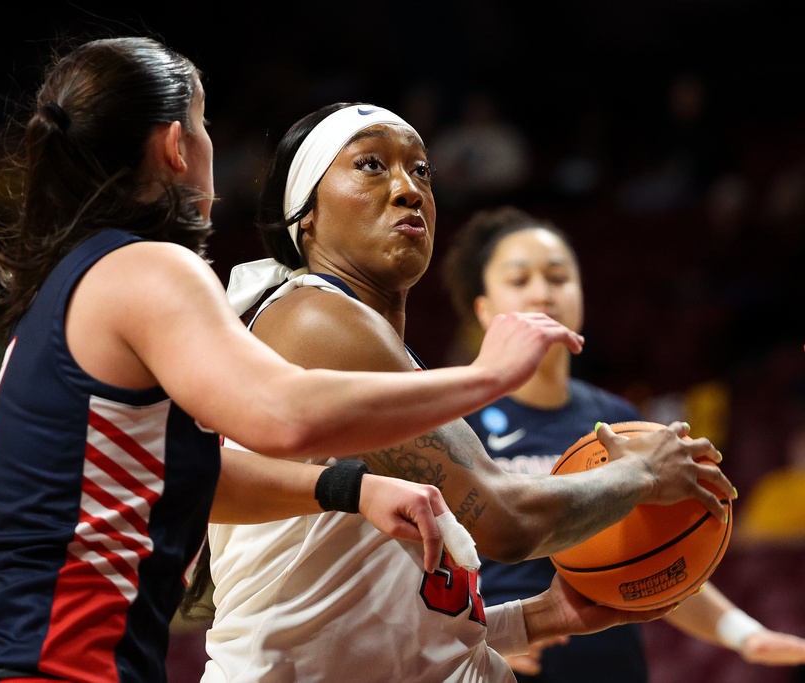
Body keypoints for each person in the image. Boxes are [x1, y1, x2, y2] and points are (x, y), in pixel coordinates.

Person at [0, 37, 591, 683]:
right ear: (175, 146)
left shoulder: (75, 285)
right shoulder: (150, 268)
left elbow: (194, 474)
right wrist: (487, 375)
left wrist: (345, 488)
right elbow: (284, 415)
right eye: (205, 125)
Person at [198, 102, 733, 683]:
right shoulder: (314, 319)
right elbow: (504, 518)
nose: (408, 189)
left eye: (421, 171)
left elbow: (379, 626)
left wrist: (537, 617)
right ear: (305, 217)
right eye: (372, 165)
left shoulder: (377, 351)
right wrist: (643, 474)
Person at [442, 205, 805, 681]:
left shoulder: (619, 421)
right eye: (519, 278)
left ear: (581, 297)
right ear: (484, 310)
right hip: (494, 662)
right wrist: (482, 637)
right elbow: (410, 568)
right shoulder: (449, 420)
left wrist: (743, 633)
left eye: (558, 276)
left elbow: (661, 556)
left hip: (611, 665)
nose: (542, 291)